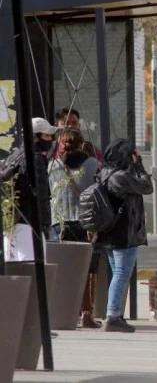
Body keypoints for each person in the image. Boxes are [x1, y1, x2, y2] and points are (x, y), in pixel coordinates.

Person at [94, 139, 153, 333]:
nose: (133, 158)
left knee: (117, 273)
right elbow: (147, 187)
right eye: (131, 154)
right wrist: (139, 165)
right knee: (121, 273)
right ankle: (113, 315)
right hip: (123, 233)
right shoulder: (121, 177)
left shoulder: (104, 173)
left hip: (111, 232)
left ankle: (116, 314)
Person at [47, 128, 102, 327]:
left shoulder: (52, 166)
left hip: (58, 223)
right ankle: (86, 313)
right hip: (84, 223)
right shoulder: (92, 164)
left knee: (61, 270)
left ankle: (62, 313)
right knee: (86, 271)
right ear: (81, 144)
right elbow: (98, 191)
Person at [0, 117, 56, 249]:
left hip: (13, 220)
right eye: (46, 135)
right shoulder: (36, 159)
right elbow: (40, 195)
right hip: (31, 222)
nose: (50, 139)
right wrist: (44, 224)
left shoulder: (16, 155)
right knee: (34, 263)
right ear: (35, 137)